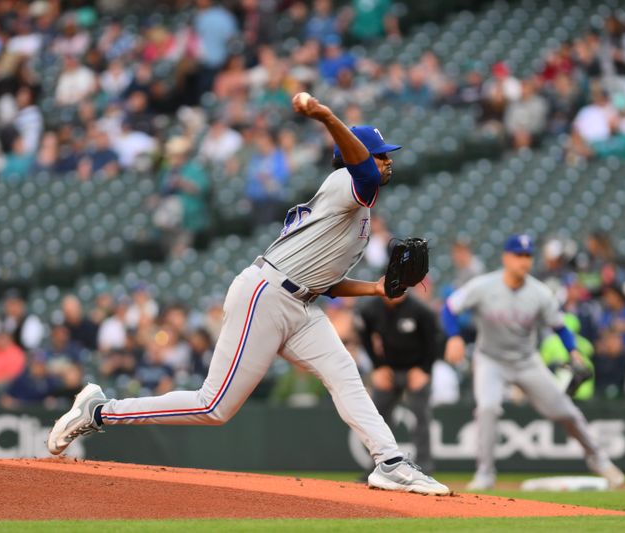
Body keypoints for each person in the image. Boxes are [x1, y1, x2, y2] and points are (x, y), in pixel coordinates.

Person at [48, 93, 449, 495]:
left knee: (345, 376)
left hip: (301, 302)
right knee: (213, 407)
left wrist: (376, 288)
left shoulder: (356, 213)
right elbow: (361, 167)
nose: (386, 161)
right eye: (379, 155)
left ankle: (390, 462)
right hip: (267, 294)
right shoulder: (349, 182)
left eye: (385, 155)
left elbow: (322, 281)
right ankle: (100, 412)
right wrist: (325, 115)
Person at [443, 234, 625, 490]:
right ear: (506, 257)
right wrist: (454, 338)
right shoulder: (484, 285)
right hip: (490, 360)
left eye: (528, 256)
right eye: (518, 255)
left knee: (565, 411)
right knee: (488, 408)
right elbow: (450, 307)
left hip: (526, 361)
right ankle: (485, 474)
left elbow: (560, 327)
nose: (524, 261)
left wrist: (573, 351)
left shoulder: (540, 293)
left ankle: (598, 459)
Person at [356, 292, 441, 474]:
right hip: (388, 369)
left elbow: (435, 341)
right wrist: (378, 366)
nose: (397, 291)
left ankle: (425, 469)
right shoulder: (370, 309)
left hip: (416, 369)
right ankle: (377, 467)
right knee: (377, 417)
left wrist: (424, 370)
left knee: (422, 417)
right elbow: (365, 337)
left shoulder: (421, 309)